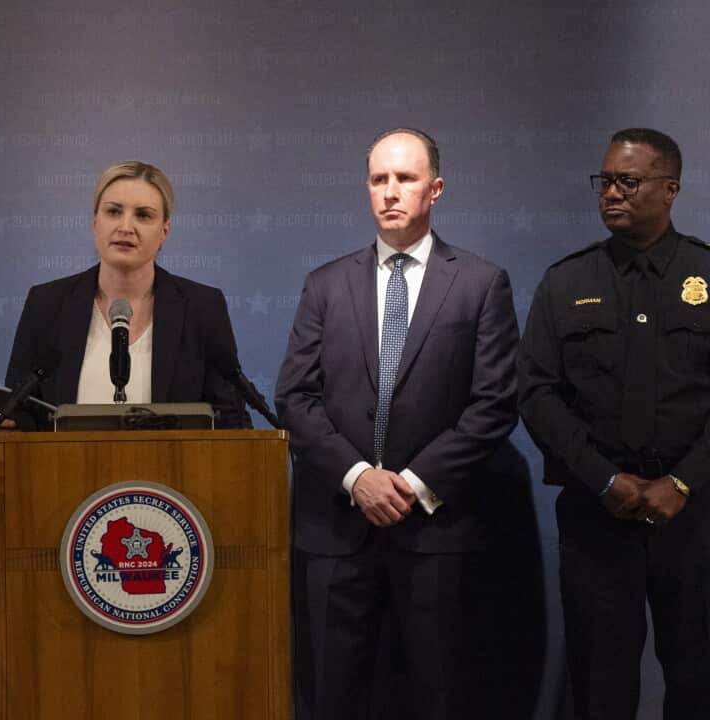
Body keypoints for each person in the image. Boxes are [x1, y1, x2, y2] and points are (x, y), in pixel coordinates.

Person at [275, 128, 520, 719]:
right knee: (331, 698)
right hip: (335, 531)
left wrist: (409, 484)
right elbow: (295, 397)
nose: (390, 192)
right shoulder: (325, 284)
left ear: (435, 189)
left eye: (405, 179)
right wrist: (358, 476)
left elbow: (493, 406)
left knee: (437, 697)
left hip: (436, 534)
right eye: (379, 179)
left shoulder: (481, 283)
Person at [519, 128, 710, 719]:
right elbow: (537, 392)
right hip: (598, 516)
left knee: (698, 679)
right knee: (600, 685)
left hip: (695, 515)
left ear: (670, 189)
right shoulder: (567, 282)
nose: (611, 194)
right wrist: (604, 479)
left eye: (629, 181)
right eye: (605, 181)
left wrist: (680, 483)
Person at [0, 160, 248, 448]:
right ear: (95, 221)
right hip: (65, 485)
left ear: (164, 231)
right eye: (113, 211)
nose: (126, 227)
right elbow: (20, 413)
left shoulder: (202, 307)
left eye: (143, 215)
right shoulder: (47, 304)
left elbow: (231, 420)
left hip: (172, 489)